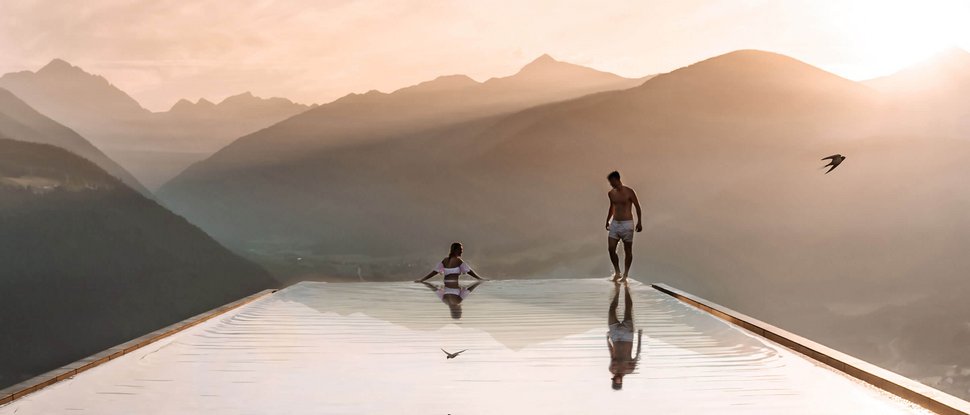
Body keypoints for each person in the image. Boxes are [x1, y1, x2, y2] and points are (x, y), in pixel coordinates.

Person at [605, 170, 642, 281]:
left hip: (627, 223)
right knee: (611, 249)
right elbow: (612, 207)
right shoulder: (611, 193)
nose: (611, 184)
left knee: (628, 250)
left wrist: (639, 222)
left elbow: (637, 206)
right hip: (615, 223)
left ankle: (625, 274)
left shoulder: (629, 192)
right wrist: (607, 220)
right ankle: (617, 272)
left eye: (612, 182)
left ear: (617, 179)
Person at [607, 281, 643, 390]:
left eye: (616, 382)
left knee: (611, 309)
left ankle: (618, 288)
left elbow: (612, 354)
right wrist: (640, 336)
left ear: (613, 381)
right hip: (627, 336)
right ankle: (627, 287)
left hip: (615, 336)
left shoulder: (612, 369)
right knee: (628, 309)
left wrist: (607, 340)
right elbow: (637, 353)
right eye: (619, 383)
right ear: (621, 382)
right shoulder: (629, 370)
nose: (618, 381)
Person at [414, 242, 486, 282]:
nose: (462, 251)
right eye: (460, 249)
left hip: (446, 286)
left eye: (462, 249)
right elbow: (469, 271)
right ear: (455, 250)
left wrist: (422, 280)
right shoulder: (458, 260)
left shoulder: (445, 260)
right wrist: (480, 279)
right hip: (455, 287)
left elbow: (434, 272)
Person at [417, 279, 484, 319]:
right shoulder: (448, 301)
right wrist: (479, 281)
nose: (461, 309)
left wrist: (424, 282)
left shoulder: (449, 300)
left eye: (460, 311)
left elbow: (435, 289)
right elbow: (470, 288)